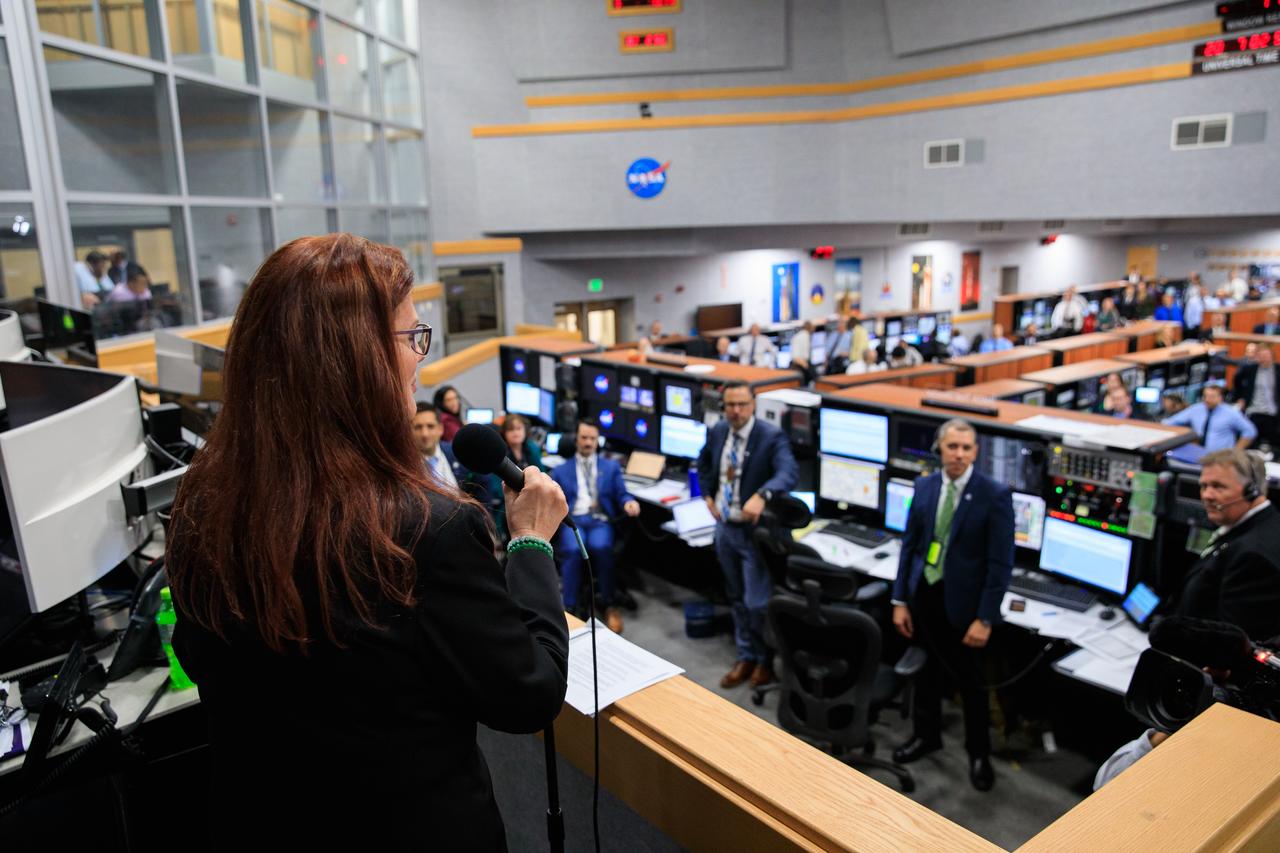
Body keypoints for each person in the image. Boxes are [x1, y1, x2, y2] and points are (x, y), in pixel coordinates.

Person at [165, 234, 569, 849]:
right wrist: (532, 544)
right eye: (411, 339)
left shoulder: (203, 502)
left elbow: (197, 654)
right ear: (357, 362)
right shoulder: (429, 529)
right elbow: (527, 696)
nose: (419, 361)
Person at [890, 419, 1014, 792]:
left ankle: (979, 753)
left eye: (966, 448)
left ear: (975, 451)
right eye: (952, 447)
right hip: (925, 596)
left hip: (967, 607)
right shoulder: (925, 486)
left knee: (971, 685)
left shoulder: (994, 494)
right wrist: (899, 599)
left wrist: (986, 618)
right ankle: (926, 736)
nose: (958, 454)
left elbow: (1000, 564)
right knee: (926, 675)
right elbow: (910, 546)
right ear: (939, 449)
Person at [696, 381, 798, 689]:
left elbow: (788, 473)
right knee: (737, 598)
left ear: (753, 405)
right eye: (730, 405)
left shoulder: (771, 436)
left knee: (756, 603)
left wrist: (764, 494)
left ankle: (765, 661)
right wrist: (708, 496)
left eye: (741, 404)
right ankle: (746, 656)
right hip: (725, 527)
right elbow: (703, 464)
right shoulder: (717, 432)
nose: (736, 411)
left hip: (754, 533)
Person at [1163, 449, 1280, 641]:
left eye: (1218, 486)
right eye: (1204, 486)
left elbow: (1227, 644)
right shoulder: (1245, 525)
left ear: (1252, 490)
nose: (1206, 495)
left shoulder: (1254, 556)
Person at [550, 419, 639, 633]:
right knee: (572, 550)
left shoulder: (611, 467)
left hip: (600, 520)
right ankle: (569, 608)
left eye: (592, 438)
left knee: (601, 548)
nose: (588, 442)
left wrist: (629, 501)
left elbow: (622, 493)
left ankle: (609, 604)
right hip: (574, 521)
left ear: (598, 440)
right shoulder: (561, 470)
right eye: (584, 437)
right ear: (576, 439)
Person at [1163, 383, 1256, 454]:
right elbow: (1170, 422)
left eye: (1211, 397)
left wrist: (1236, 452)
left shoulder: (1231, 413)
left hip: (1221, 457)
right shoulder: (1196, 409)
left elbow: (1250, 431)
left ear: (1220, 398)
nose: (1207, 399)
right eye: (1205, 396)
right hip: (1199, 455)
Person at [412, 401, 470, 491]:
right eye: (418, 427)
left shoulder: (457, 453)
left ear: (440, 429)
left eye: (430, 426)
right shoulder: (403, 464)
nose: (425, 434)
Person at [1232, 347, 1279, 447]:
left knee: (1274, 442)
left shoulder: (1277, 370)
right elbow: (1237, 380)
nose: (1264, 359)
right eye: (1261, 356)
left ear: (1272, 357)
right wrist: (1240, 397)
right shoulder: (1250, 369)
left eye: (1266, 356)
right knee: (1251, 440)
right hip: (1254, 410)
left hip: (1272, 412)